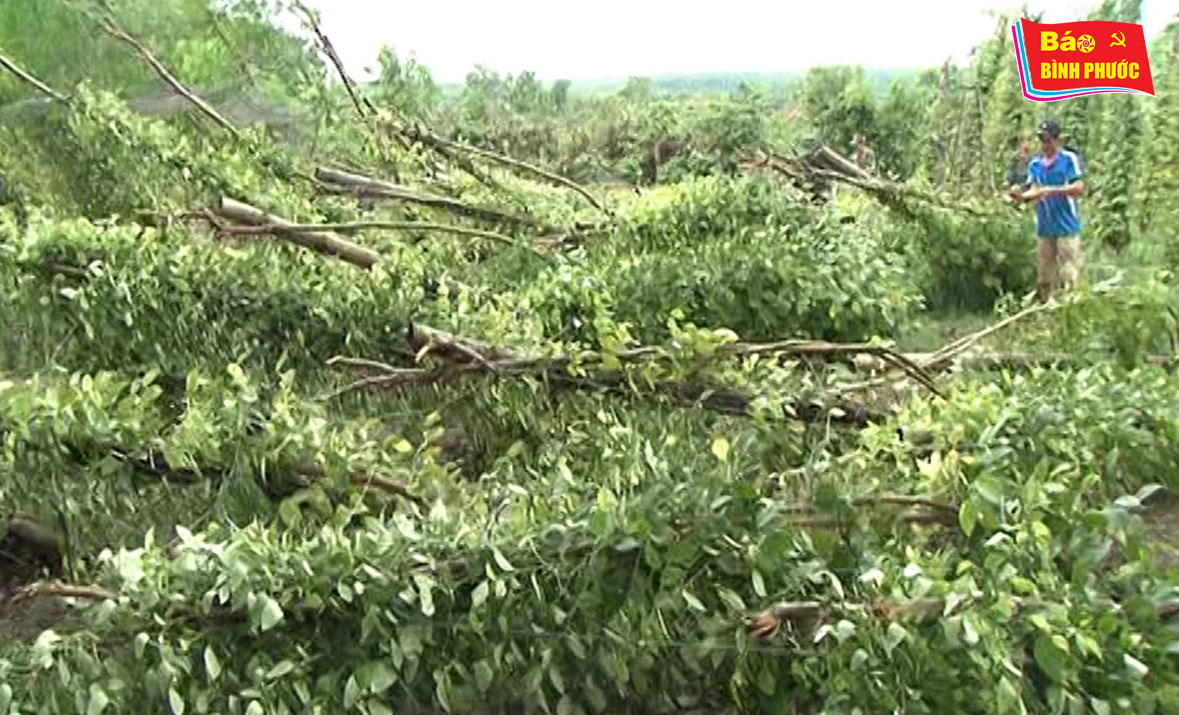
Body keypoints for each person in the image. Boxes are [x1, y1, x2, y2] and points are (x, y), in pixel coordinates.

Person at [1006, 118, 1085, 303]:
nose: (1044, 144)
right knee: (1045, 274)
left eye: (1048, 139)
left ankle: (1071, 308)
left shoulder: (1068, 160)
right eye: (1041, 139)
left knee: (1068, 272)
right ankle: (1045, 307)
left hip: (1066, 225)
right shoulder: (1035, 164)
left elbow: (1079, 188)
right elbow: (1034, 189)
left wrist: (1053, 190)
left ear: (1057, 140)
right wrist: (1020, 197)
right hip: (1045, 226)